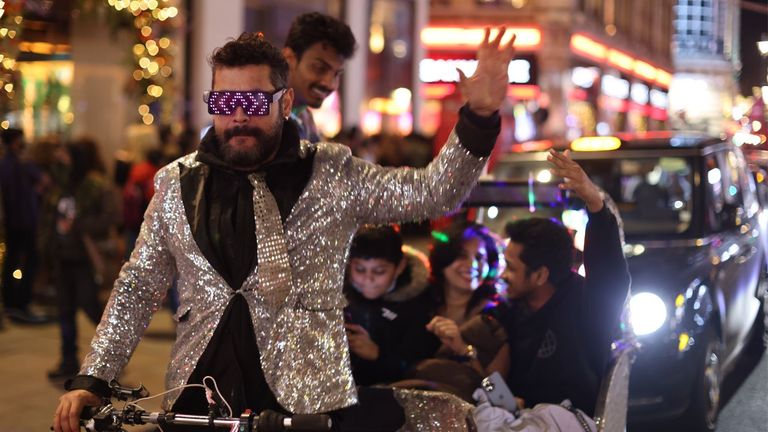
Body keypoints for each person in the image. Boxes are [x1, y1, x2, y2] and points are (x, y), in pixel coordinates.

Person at [53, 28, 515, 432]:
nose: (237, 117)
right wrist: (92, 378)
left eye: (252, 102)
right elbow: (137, 287)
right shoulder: (176, 183)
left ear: (284, 102)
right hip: (198, 399)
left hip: (307, 405)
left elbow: (433, 194)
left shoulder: (332, 173)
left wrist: (477, 119)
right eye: (224, 102)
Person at [497, 149, 631, 417]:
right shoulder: (510, 310)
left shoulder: (586, 307)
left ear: (540, 275)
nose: (502, 275)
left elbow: (610, 277)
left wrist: (595, 204)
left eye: (511, 267)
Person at [47, 138, 117, 380]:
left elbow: (110, 216)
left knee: (92, 308)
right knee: (65, 311)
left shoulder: (95, 185)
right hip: (62, 257)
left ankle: (110, 358)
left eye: (65, 154)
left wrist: (79, 226)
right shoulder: (61, 185)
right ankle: (68, 360)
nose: (60, 158)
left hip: (85, 258)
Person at [343, 225, 439, 386]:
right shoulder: (338, 295)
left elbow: (419, 365)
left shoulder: (418, 304)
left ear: (400, 267)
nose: (368, 279)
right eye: (359, 269)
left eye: (379, 271)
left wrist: (377, 354)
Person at [283, 12, 356, 142]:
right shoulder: (264, 117)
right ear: (289, 58)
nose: (330, 84)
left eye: (336, 74)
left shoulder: (305, 118)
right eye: (319, 68)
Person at [0, 128, 48, 324]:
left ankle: (12, 302)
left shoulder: (9, 164)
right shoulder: (18, 164)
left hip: (16, 220)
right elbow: (43, 181)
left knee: (14, 259)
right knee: (27, 260)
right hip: (22, 220)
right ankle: (19, 302)